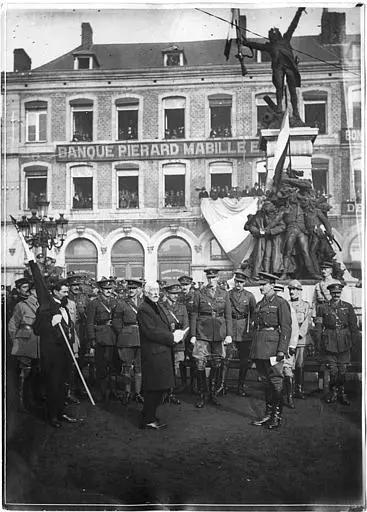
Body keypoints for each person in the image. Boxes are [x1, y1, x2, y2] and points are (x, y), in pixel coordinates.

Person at [137, 281, 185, 430]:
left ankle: (148, 415)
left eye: (157, 290)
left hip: (160, 352)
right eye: (151, 290)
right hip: (154, 353)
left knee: (158, 387)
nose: (155, 293)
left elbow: (159, 327)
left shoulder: (155, 306)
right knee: (154, 388)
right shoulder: (144, 309)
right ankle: (148, 419)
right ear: (145, 293)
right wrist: (171, 337)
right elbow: (150, 331)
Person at [240, 8, 306, 119]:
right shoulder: (270, 46)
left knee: (292, 91)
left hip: (290, 68)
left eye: (274, 34)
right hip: (278, 69)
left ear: (278, 35)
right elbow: (257, 45)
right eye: (271, 34)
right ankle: (279, 106)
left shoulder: (285, 40)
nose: (272, 36)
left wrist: (299, 12)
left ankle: (295, 112)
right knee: (279, 88)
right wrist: (245, 43)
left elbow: (293, 26)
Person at [32, 280, 79, 428]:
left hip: (65, 351)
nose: (67, 294)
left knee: (64, 383)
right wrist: (51, 323)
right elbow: (37, 329)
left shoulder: (64, 306)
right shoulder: (45, 308)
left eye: (67, 291)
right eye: (64, 291)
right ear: (55, 292)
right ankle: (52, 416)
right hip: (52, 353)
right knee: (53, 384)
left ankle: (60, 412)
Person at [250, 272, 292, 430]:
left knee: (276, 381)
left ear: (272, 285)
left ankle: (277, 416)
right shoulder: (260, 304)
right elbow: (256, 327)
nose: (261, 287)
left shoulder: (281, 303)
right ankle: (268, 414)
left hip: (274, 348)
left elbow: (286, 327)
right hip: (260, 347)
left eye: (264, 284)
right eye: (260, 284)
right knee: (266, 382)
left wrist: (282, 349)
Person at [190, 268, 232, 408]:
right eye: (209, 278)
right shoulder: (199, 293)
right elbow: (194, 314)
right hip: (202, 332)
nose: (211, 281)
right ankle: (203, 394)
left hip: (219, 332)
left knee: (217, 363)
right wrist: (193, 335)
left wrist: (229, 334)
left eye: (213, 278)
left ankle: (213, 393)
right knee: (200, 363)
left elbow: (228, 315)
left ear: (217, 278)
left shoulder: (224, 294)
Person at [314, 281, 360, 405]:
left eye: (338, 293)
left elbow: (353, 327)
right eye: (334, 293)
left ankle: (342, 393)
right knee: (333, 370)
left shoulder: (348, 307)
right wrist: (318, 342)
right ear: (330, 293)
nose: (336, 295)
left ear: (341, 293)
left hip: (345, 341)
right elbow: (318, 326)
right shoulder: (322, 308)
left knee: (343, 370)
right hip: (329, 342)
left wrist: (354, 343)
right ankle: (333, 392)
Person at [8, 280, 40, 412]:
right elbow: (12, 325)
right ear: (32, 291)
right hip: (24, 342)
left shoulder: (42, 304)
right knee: (23, 374)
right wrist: (16, 342)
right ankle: (20, 403)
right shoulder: (21, 305)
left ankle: (31, 400)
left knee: (34, 374)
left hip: (38, 341)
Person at [112, 279, 144, 405]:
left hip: (141, 337)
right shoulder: (122, 304)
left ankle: (138, 393)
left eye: (134, 288)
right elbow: (116, 322)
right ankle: (127, 392)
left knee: (139, 367)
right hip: (127, 339)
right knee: (126, 366)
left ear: (139, 289)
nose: (131, 291)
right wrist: (124, 333)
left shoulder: (144, 303)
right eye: (129, 288)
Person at [86, 277, 118, 402]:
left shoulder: (116, 302)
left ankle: (113, 391)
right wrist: (92, 338)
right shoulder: (94, 303)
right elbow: (89, 323)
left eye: (110, 288)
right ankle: (102, 392)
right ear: (100, 289)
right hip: (101, 338)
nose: (108, 291)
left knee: (114, 365)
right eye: (105, 289)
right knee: (101, 366)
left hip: (114, 336)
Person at [226, 269, 256, 397]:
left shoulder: (249, 296)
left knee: (245, 361)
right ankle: (222, 385)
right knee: (226, 358)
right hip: (231, 328)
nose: (239, 284)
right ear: (234, 281)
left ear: (244, 283)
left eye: (241, 282)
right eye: (237, 282)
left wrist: (251, 328)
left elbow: (254, 314)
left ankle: (241, 385)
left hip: (244, 330)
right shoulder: (227, 294)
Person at [161, 283, 189, 403]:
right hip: (165, 342)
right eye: (173, 293)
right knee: (165, 367)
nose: (175, 296)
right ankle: (164, 392)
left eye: (177, 294)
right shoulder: (161, 307)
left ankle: (171, 393)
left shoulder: (182, 307)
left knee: (175, 368)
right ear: (167, 293)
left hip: (178, 343)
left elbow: (186, 325)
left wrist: (181, 336)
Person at [273, 283, 298, 409]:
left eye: (279, 291)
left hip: (286, 345)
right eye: (275, 291)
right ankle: (278, 396)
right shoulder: (271, 305)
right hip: (273, 345)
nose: (277, 294)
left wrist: (292, 344)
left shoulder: (287, 306)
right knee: (276, 371)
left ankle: (289, 397)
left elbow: (294, 329)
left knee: (287, 371)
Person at [288, 279, 311, 399]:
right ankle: (289, 391)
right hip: (288, 341)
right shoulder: (285, 304)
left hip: (301, 340)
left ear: (299, 291)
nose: (292, 292)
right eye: (291, 289)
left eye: (295, 290)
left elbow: (307, 322)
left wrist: (299, 335)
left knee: (299, 364)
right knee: (288, 365)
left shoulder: (305, 305)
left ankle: (299, 389)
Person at [178, 274, 197, 393]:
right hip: (181, 331)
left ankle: (193, 384)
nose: (184, 287)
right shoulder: (178, 297)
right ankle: (184, 382)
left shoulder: (195, 296)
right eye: (182, 285)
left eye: (186, 285)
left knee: (193, 357)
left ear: (190, 285)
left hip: (192, 330)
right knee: (182, 357)